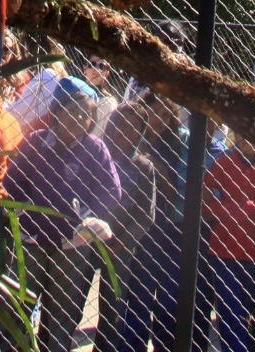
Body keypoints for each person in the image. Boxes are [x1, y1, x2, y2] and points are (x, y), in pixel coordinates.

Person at [3, 78, 122, 352]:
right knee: (18, 307)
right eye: (73, 110)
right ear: (57, 111)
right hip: (31, 241)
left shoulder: (95, 148)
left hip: (72, 243)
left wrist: (88, 218)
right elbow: (13, 182)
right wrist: (25, 214)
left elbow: (111, 190)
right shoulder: (37, 141)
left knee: (61, 315)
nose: (79, 118)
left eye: (86, 113)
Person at [105, 88, 184, 352]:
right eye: (154, 112)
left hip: (156, 229)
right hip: (118, 229)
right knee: (120, 299)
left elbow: (173, 193)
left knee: (147, 294)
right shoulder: (113, 147)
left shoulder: (174, 145)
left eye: (166, 114)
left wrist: (158, 169)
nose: (159, 119)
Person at [202, 132, 255, 352]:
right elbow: (203, 200)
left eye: (250, 133)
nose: (245, 138)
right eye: (239, 132)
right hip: (223, 251)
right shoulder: (224, 163)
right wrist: (230, 210)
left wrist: (254, 210)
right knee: (230, 314)